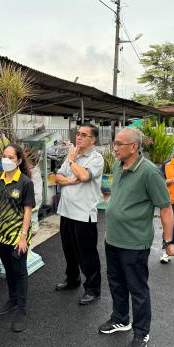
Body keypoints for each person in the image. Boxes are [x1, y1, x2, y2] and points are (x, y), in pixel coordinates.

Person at [98, 128, 174, 347]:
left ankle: (142, 332)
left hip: (134, 242)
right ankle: (120, 319)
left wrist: (168, 241)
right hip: (112, 239)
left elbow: (166, 208)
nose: (114, 147)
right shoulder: (117, 166)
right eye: (114, 143)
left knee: (137, 289)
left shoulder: (150, 172)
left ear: (134, 147)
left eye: (119, 144)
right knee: (116, 283)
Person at [0, 143, 35, 332]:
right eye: (3, 156)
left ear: (19, 160)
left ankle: (21, 310)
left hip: (17, 236)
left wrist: (23, 237)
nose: (6, 160)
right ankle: (12, 299)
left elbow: (28, 210)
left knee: (20, 271)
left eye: (11, 157)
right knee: (8, 268)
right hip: (1, 234)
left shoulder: (25, 183)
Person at [54, 123, 104, 305]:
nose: (79, 137)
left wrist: (72, 162)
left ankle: (93, 288)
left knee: (87, 253)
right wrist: (69, 180)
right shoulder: (72, 155)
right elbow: (58, 177)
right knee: (69, 250)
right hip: (66, 211)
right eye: (78, 134)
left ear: (93, 139)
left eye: (84, 134)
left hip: (84, 214)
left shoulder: (96, 159)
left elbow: (84, 177)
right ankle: (72, 279)